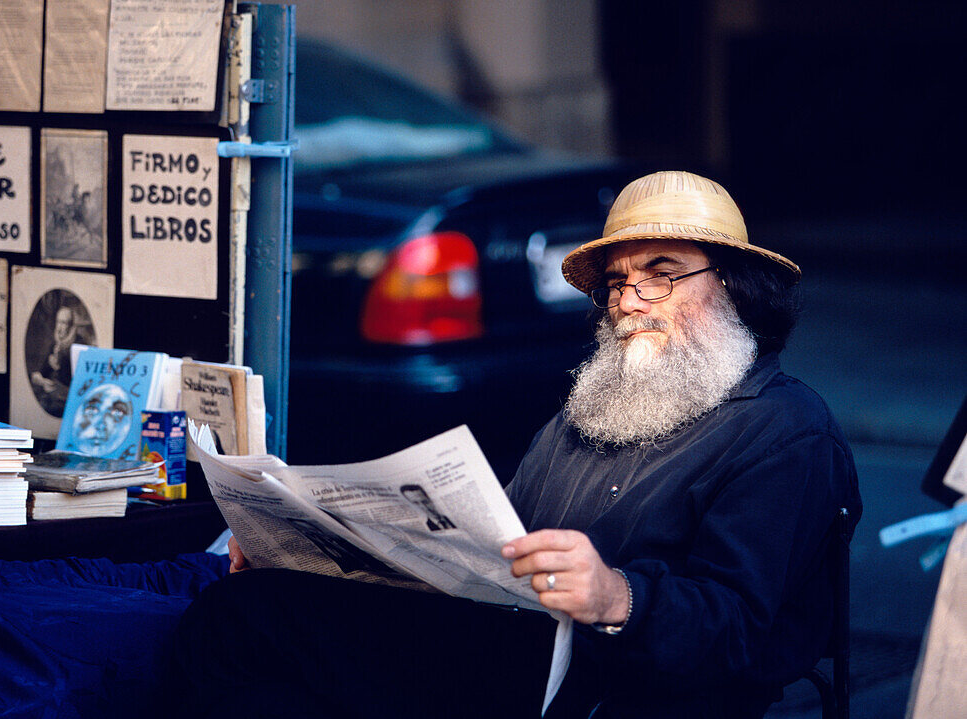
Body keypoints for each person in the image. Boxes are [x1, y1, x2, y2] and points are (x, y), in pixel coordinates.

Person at [171, 170, 862, 719]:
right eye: (618, 281)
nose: (629, 299)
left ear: (735, 287)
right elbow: (481, 544)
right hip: (491, 646)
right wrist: (317, 553)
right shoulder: (592, 409)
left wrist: (617, 596)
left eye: (662, 271)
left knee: (242, 622)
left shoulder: (784, 432)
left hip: (599, 688)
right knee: (260, 673)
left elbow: (740, 632)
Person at [31, 305, 77, 416]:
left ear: (70, 326)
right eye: (59, 322)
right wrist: (41, 378)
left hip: (65, 398)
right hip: (52, 393)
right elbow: (43, 370)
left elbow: (72, 380)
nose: (60, 327)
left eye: (64, 323)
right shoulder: (55, 344)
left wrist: (58, 368)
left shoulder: (77, 344)